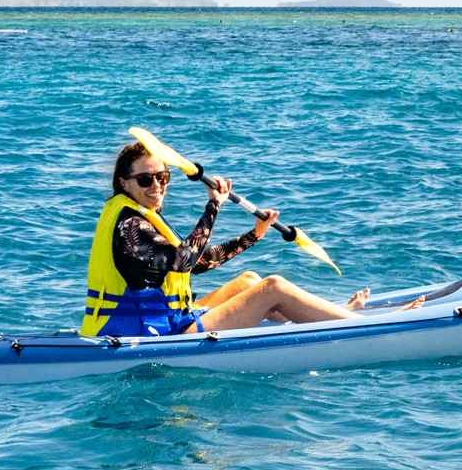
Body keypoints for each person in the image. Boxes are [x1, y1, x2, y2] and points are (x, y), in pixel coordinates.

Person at [82, 142, 406, 338]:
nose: (157, 185)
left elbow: (200, 263)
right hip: (148, 333)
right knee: (273, 288)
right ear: (124, 182)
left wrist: (254, 235)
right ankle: (362, 326)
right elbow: (185, 260)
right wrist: (214, 205)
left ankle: (325, 317)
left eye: (163, 177)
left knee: (249, 281)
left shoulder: (141, 214)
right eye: (145, 179)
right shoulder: (130, 226)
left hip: (169, 320)